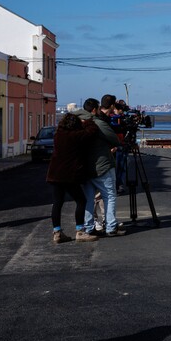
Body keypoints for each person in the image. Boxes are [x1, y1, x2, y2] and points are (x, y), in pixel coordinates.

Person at [74, 96, 125, 237]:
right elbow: (114, 138)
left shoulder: (77, 122)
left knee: (89, 198)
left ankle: (88, 227)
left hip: (84, 167)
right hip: (101, 165)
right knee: (109, 195)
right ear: (95, 110)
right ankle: (110, 227)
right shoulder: (97, 123)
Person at [46, 113, 100, 243]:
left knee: (57, 203)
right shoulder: (76, 136)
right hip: (69, 175)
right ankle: (80, 231)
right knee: (81, 200)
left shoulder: (58, 135)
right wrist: (87, 121)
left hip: (54, 174)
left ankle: (57, 233)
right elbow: (92, 131)